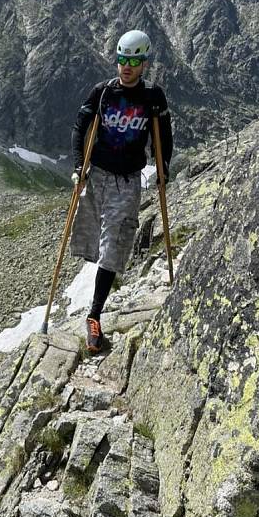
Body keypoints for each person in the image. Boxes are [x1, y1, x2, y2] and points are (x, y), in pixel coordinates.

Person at [70, 29, 173, 352]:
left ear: (143, 63)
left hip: (128, 180)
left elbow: (164, 134)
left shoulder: (153, 96)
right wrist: (78, 165)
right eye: (121, 59)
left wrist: (163, 166)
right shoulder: (103, 93)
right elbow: (81, 126)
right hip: (97, 174)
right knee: (86, 238)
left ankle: (94, 315)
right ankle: (89, 308)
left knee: (114, 244)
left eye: (133, 61)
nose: (126, 66)